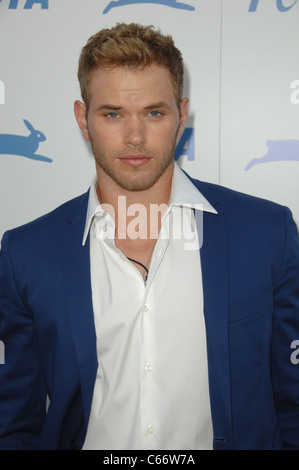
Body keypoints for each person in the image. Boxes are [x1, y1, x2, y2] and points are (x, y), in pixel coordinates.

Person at [0, 22, 299, 451]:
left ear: (181, 116)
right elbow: (14, 420)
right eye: (113, 114)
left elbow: (293, 401)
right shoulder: (26, 254)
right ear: (83, 120)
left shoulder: (267, 234)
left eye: (154, 113)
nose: (135, 137)